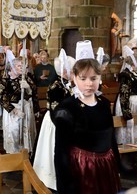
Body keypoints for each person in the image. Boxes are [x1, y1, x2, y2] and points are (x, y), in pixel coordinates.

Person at [53, 58, 121, 193]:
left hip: (106, 164)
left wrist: (117, 164)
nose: (89, 84)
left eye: (93, 78)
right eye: (83, 79)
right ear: (74, 78)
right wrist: (65, 184)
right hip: (82, 167)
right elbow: (61, 151)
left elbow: (110, 136)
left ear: (100, 78)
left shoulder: (104, 103)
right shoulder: (67, 108)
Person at [33, 49, 75, 190]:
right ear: (64, 71)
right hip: (55, 122)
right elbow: (55, 108)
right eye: (72, 70)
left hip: (66, 122)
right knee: (52, 150)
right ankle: (50, 179)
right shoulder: (56, 86)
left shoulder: (68, 85)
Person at [0, 55, 38, 154]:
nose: (23, 68)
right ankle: (14, 155)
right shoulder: (5, 80)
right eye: (19, 66)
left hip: (26, 108)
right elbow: (2, 98)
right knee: (14, 132)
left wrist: (28, 87)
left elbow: (33, 92)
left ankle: (26, 155)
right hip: (13, 110)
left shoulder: (26, 78)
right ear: (12, 67)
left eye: (24, 65)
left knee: (26, 132)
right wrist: (14, 110)